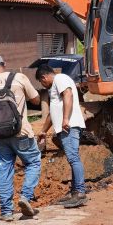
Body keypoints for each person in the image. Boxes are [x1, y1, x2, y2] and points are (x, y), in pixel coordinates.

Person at [0, 52, 41, 221]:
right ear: (4, 64)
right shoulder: (19, 78)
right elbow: (36, 100)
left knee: (4, 169)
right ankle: (25, 197)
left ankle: (6, 212)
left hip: (0, 137)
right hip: (22, 132)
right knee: (33, 163)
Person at [36, 64, 87, 208]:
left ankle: (80, 192)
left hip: (69, 126)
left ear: (44, 77)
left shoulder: (60, 79)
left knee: (73, 158)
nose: (43, 85)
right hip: (66, 127)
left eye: (41, 82)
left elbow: (68, 94)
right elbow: (52, 113)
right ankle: (74, 192)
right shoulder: (55, 85)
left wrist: (65, 119)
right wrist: (43, 131)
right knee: (72, 158)